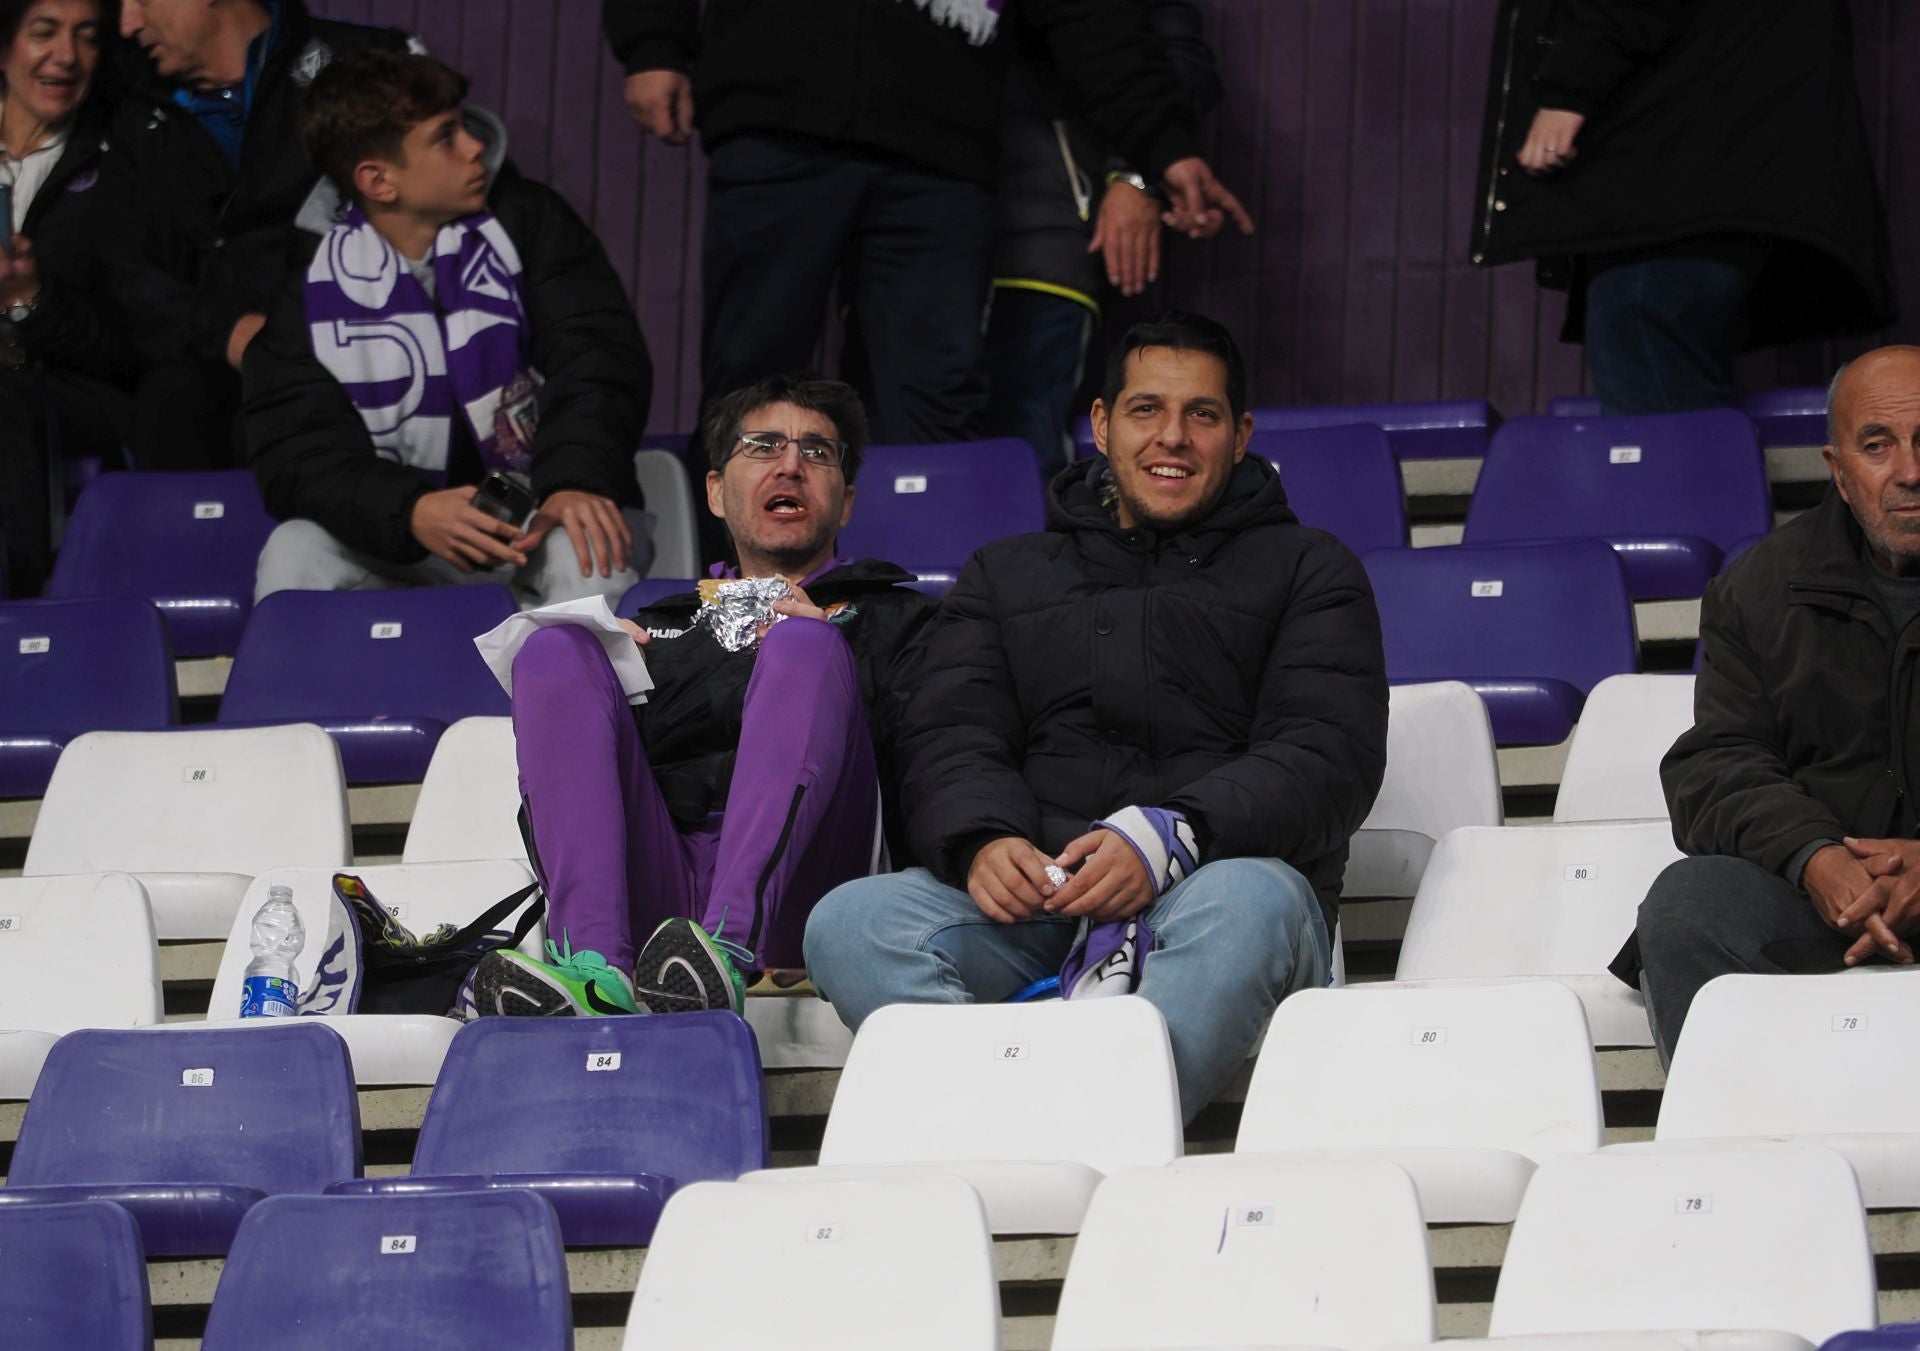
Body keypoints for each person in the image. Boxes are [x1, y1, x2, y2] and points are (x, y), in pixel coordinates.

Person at [803, 313, 1388, 1120]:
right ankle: (1007, 1126)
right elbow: (949, 736)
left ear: (1241, 434)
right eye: (1146, 410)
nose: (1172, 438)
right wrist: (982, 839)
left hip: (1215, 893)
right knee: (851, 923)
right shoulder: (1004, 574)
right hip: (1041, 898)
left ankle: (1098, 1131)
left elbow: (1328, 755)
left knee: (1256, 901)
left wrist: (1171, 836)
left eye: (1203, 415)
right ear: (1104, 425)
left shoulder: (1311, 569)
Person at [603, 0, 1252, 507]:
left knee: (934, 403)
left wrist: (1159, 148)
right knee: (748, 381)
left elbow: (1093, 17)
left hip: (941, 154)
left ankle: (926, 627)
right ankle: (727, 612)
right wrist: (653, 40)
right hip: (778, 111)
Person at [472, 373, 938, 1019]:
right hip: (661, 874)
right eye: (763, 446)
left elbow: (935, 762)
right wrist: (633, 675)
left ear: (847, 500)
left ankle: (727, 949)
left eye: (817, 452)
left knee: (804, 646)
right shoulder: (657, 620)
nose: (791, 466)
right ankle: (594, 968)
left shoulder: (901, 617)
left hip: (813, 883)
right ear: (717, 491)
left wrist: (830, 647)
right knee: (555, 646)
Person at [241, 49, 652, 604]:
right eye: (446, 137)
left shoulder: (531, 224)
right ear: (378, 180)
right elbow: (298, 453)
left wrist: (574, 479)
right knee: (296, 549)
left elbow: (598, 357)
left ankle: (578, 695)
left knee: (588, 547)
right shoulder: (311, 292)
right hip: (412, 538)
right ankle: (299, 696)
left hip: (545, 516)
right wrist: (409, 510)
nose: (476, 146)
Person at [1627, 346, 1920, 1063]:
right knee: (1689, 907)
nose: (1910, 472)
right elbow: (1718, 766)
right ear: (1839, 472)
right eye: (1877, 446)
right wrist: (1813, 857)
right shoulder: (1758, 589)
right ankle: (1735, 1151)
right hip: (1827, 899)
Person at [1472, 0, 1894, 416]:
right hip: (1721, 154)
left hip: (1679, 167)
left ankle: (1682, 484)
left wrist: (1568, 89)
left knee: (1644, 345)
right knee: (1658, 365)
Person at [111, 0, 415, 469]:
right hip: (213, 367)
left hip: (360, 348)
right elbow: (128, 275)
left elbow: (448, 203)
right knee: (172, 400)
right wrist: (229, 332)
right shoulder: (133, 115)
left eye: (139, 0)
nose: (127, 23)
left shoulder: (367, 64)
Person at [985, 0, 1227, 472]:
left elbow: (1176, 54)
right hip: (909, 221)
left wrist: (1136, 174)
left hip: (1043, 222)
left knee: (1022, 440)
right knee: (904, 444)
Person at [0, 0, 135, 596]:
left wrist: (29, 299)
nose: (66, 56)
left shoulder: (122, 160)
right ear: (4, 47)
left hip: (65, 391)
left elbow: (132, 341)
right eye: (44, 33)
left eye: (86, 37)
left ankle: (19, 613)